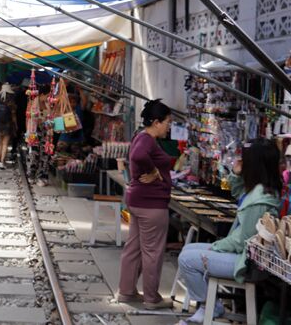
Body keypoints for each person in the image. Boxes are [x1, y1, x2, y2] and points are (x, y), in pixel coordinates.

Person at [176, 139, 281, 323]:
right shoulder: (259, 190)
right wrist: (235, 173)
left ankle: (208, 304)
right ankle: (207, 305)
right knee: (188, 250)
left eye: (245, 159)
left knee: (186, 259)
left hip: (245, 262)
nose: (242, 161)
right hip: (243, 255)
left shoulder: (261, 199)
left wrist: (216, 246)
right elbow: (235, 192)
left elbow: (241, 241)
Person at [117, 99, 173, 310]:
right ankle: (151, 298)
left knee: (133, 248)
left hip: (138, 201)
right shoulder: (147, 140)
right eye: (168, 121)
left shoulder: (141, 137)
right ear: (156, 122)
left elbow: (137, 155)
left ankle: (127, 291)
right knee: (152, 252)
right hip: (151, 205)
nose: (169, 126)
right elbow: (139, 155)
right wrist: (153, 171)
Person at [0, 83, 16, 169]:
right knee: (5, 144)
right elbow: (13, 115)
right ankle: (2, 161)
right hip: (7, 124)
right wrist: (15, 125)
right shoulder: (11, 101)